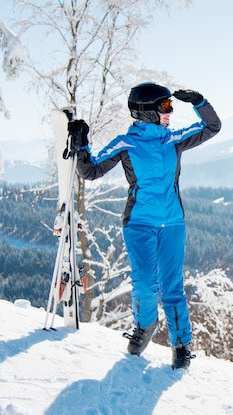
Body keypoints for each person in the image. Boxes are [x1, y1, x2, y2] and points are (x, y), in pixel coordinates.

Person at [70, 82, 221, 369]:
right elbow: (90, 170)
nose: (170, 112)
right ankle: (145, 326)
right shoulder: (126, 143)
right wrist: (81, 144)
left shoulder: (174, 139)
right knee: (146, 284)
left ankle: (181, 345)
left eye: (171, 106)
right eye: (165, 107)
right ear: (146, 112)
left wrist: (199, 102)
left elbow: (212, 127)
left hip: (173, 224)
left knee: (173, 286)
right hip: (139, 223)